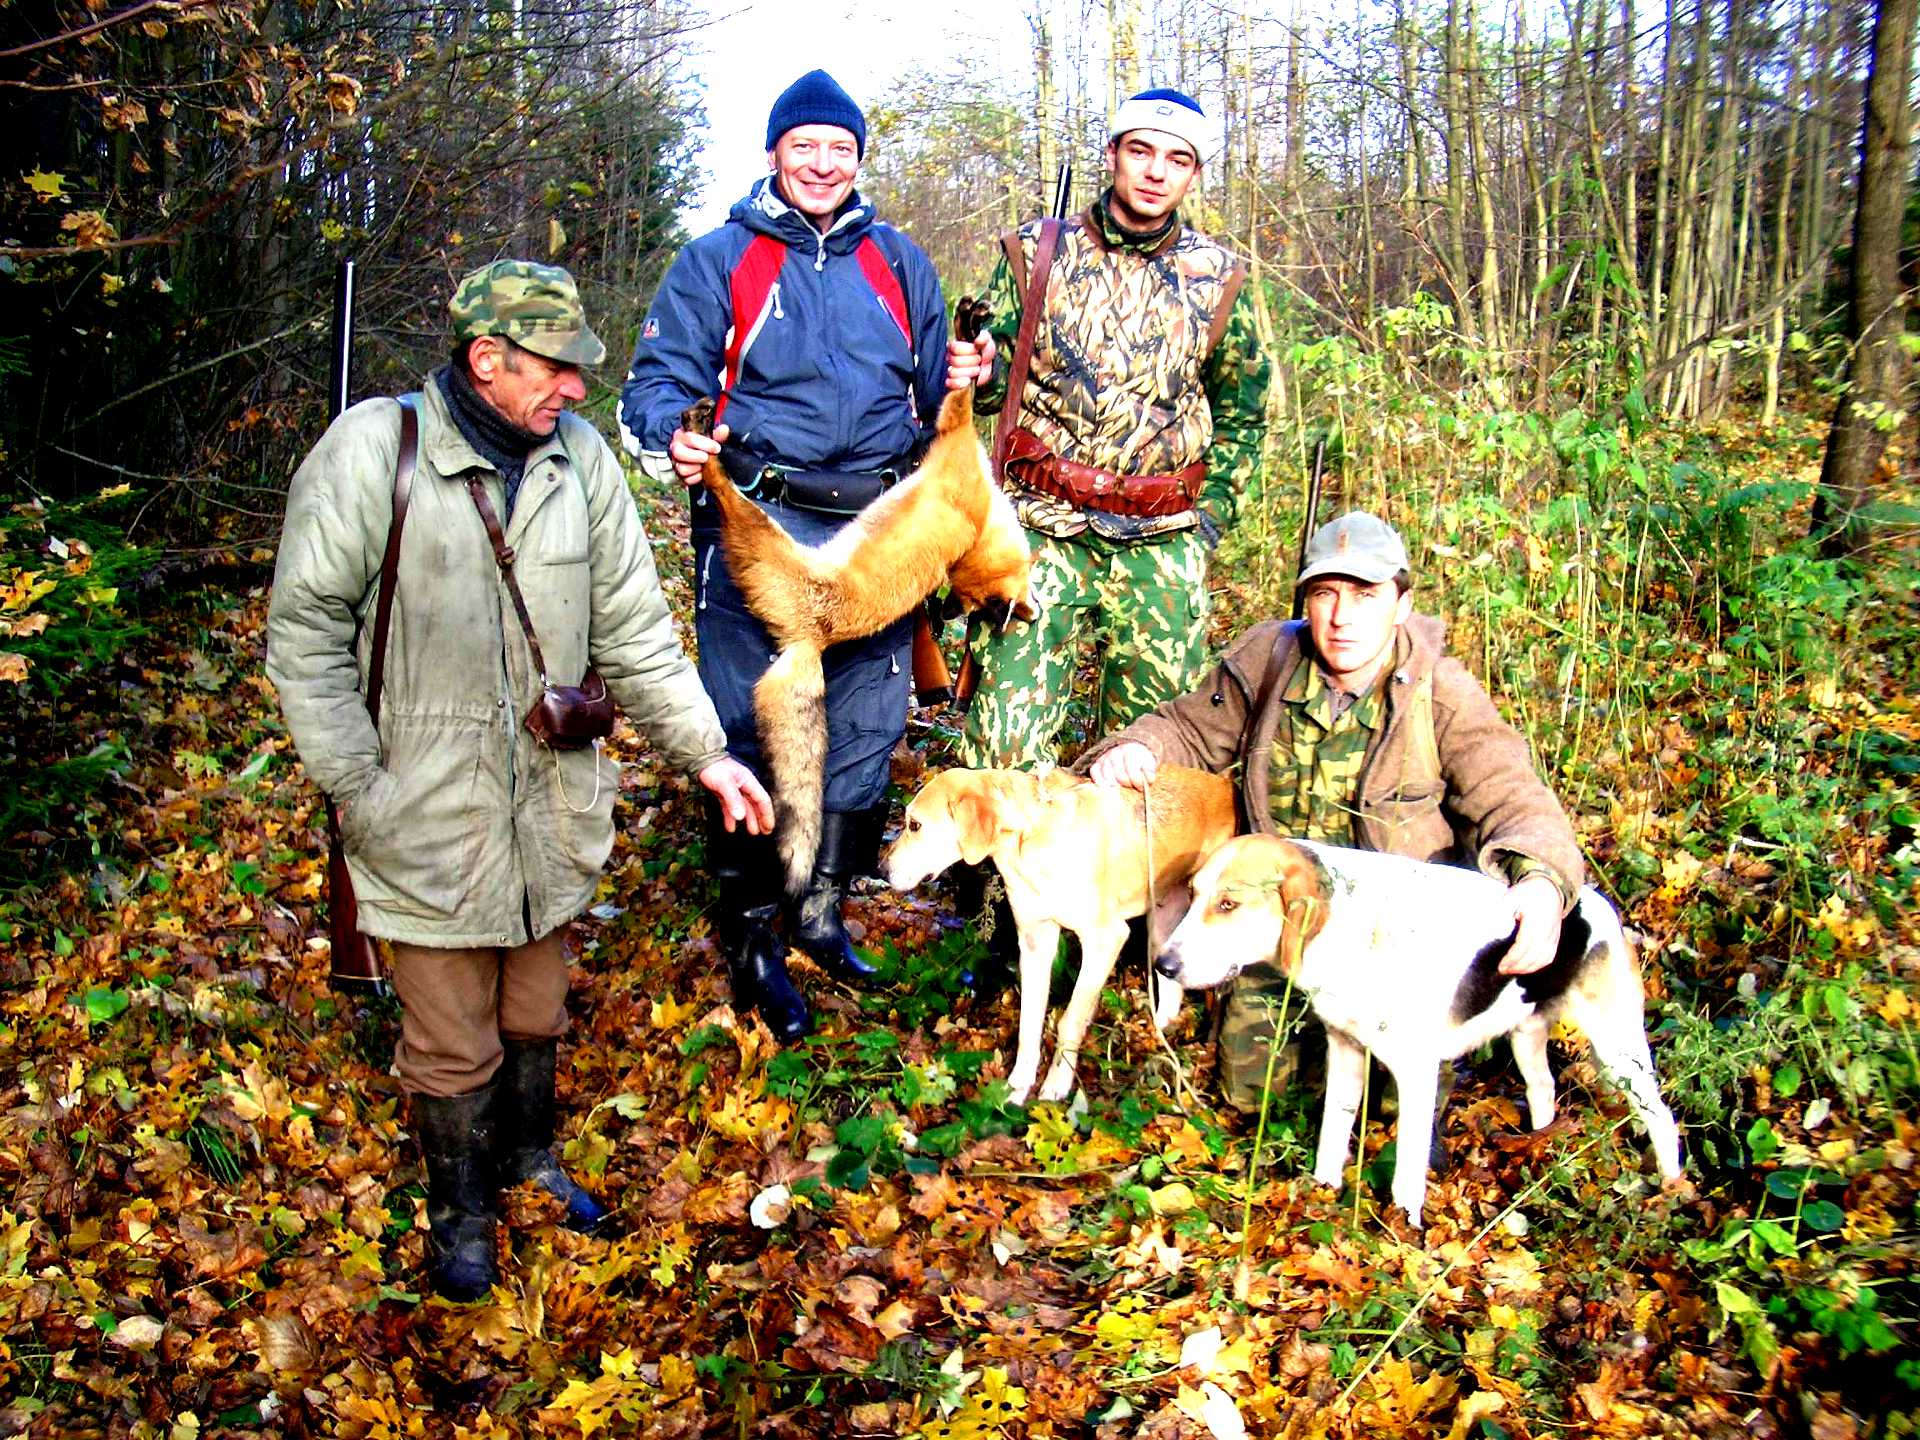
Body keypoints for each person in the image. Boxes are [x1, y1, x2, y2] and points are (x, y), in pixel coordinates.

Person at [267, 259, 771, 1301]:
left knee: (535, 1001)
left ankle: (529, 1157)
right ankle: (460, 1212)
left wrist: (708, 752)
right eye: (554, 369)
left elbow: (634, 631)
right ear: (485, 360)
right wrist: (359, 785)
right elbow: (306, 634)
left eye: (581, 370)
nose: (576, 390)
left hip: (551, 798)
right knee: (449, 1032)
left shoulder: (580, 461)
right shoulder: (375, 451)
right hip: (423, 800)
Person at [620, 70, 951, 1043]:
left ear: (858, 158)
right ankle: (755, 938)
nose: (822, 161)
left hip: (877, 542)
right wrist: (670, 437)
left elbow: (941, 403)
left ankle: (819, 908)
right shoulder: (718, 261)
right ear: (774, 153)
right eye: (804, 144)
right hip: (759, 531)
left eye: (839, 147)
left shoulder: (900, 264)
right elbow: (656, 385)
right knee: (752, 730)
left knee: (862, 723)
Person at [1083, 511, 1585, 1114]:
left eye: (1365, 595)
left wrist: (1541, 884)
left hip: (1394, 944)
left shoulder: (1441, 693)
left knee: (1395, 1107)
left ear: (1401, 605)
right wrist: (1139, 746)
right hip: (1279, 930)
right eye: (1325, 594)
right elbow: (1188, 726)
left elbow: (1514, 796)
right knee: (1252, 1100)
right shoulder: (1272, 660)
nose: (1342, 617)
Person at [943, 87, 1271, 771]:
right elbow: (989, 395)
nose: (1156, 172)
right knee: (1005, 740)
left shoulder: (1219, 281)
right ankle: (997, 876)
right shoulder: (1035, 254)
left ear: (1193, 174)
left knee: (1156, 755)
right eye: (1141, 151)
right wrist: (977, 370)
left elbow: (1245, 411)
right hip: (1039, 526)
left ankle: (1134, 881)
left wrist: (1209, 520)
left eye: (1176, 159)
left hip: (1162, 540)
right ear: (1113, 155)